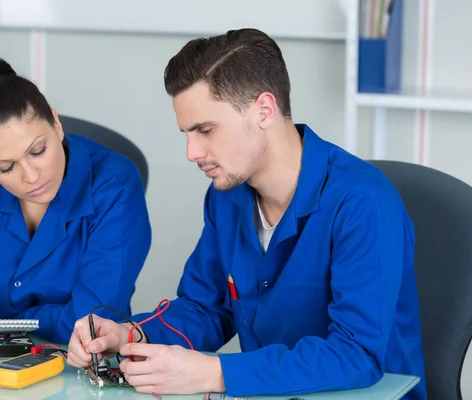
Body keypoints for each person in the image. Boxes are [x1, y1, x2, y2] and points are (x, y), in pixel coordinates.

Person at [67, 28, 427, 399]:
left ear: (264, 110)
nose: (192, 152)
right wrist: (129, 333)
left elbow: (357, 354)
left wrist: (214, 372)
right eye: (186, 133)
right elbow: (206, 308)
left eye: (205, 130)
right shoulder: (227, 197)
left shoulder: (363, 202)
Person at [0, 57, 152, 344]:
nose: (30, 176)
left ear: (56, 123)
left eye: (37, 150)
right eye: (5, 167)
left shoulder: (115, 184)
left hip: (78, 367)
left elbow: (92, 318)